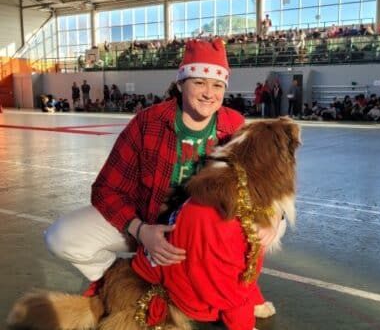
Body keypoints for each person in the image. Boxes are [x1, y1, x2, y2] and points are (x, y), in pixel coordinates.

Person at [45, 38, 279, 303]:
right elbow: (105, 190)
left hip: (202, 231)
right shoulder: (149, 122)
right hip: (149, 221)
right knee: (62, 237)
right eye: (199, 82)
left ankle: (240, 288)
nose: (208, 93)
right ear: (181, 84)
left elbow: (265, 179)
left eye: (217, 85)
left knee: (271, 225)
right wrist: (140, 230)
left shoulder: (233, 124)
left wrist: (274, 218)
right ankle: (114, 278)